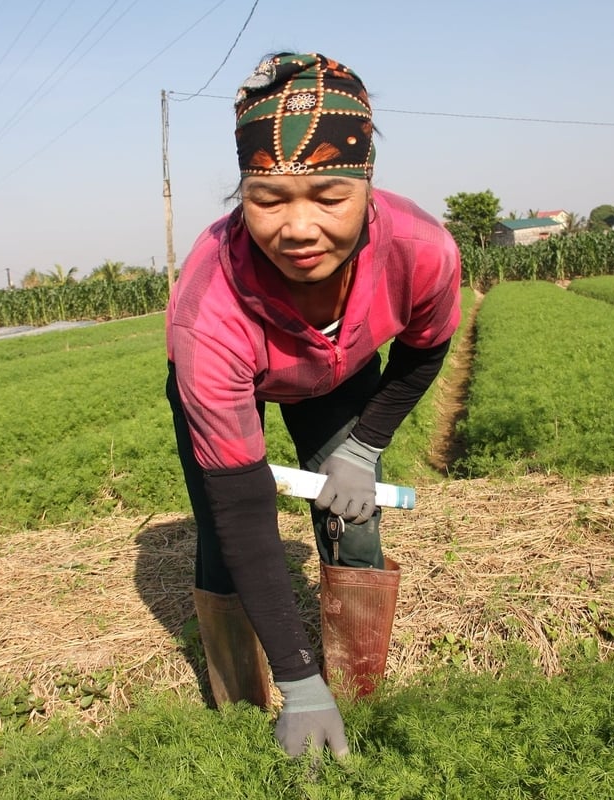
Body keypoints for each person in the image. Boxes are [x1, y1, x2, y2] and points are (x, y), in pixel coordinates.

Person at [165, 52, 461, 759]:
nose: (298, 228)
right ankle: (250, 707)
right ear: (242, 193)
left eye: (328, 197)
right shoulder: (209, 310)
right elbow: (242, 503)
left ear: (366, 186)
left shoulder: (422, 250)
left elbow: (425, 349)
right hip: (237, 376)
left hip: (337, 375)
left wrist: (362, 450)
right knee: (223, 537)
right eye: (268, 200)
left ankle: (358, 695)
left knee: (352, 522)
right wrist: (299, 681)